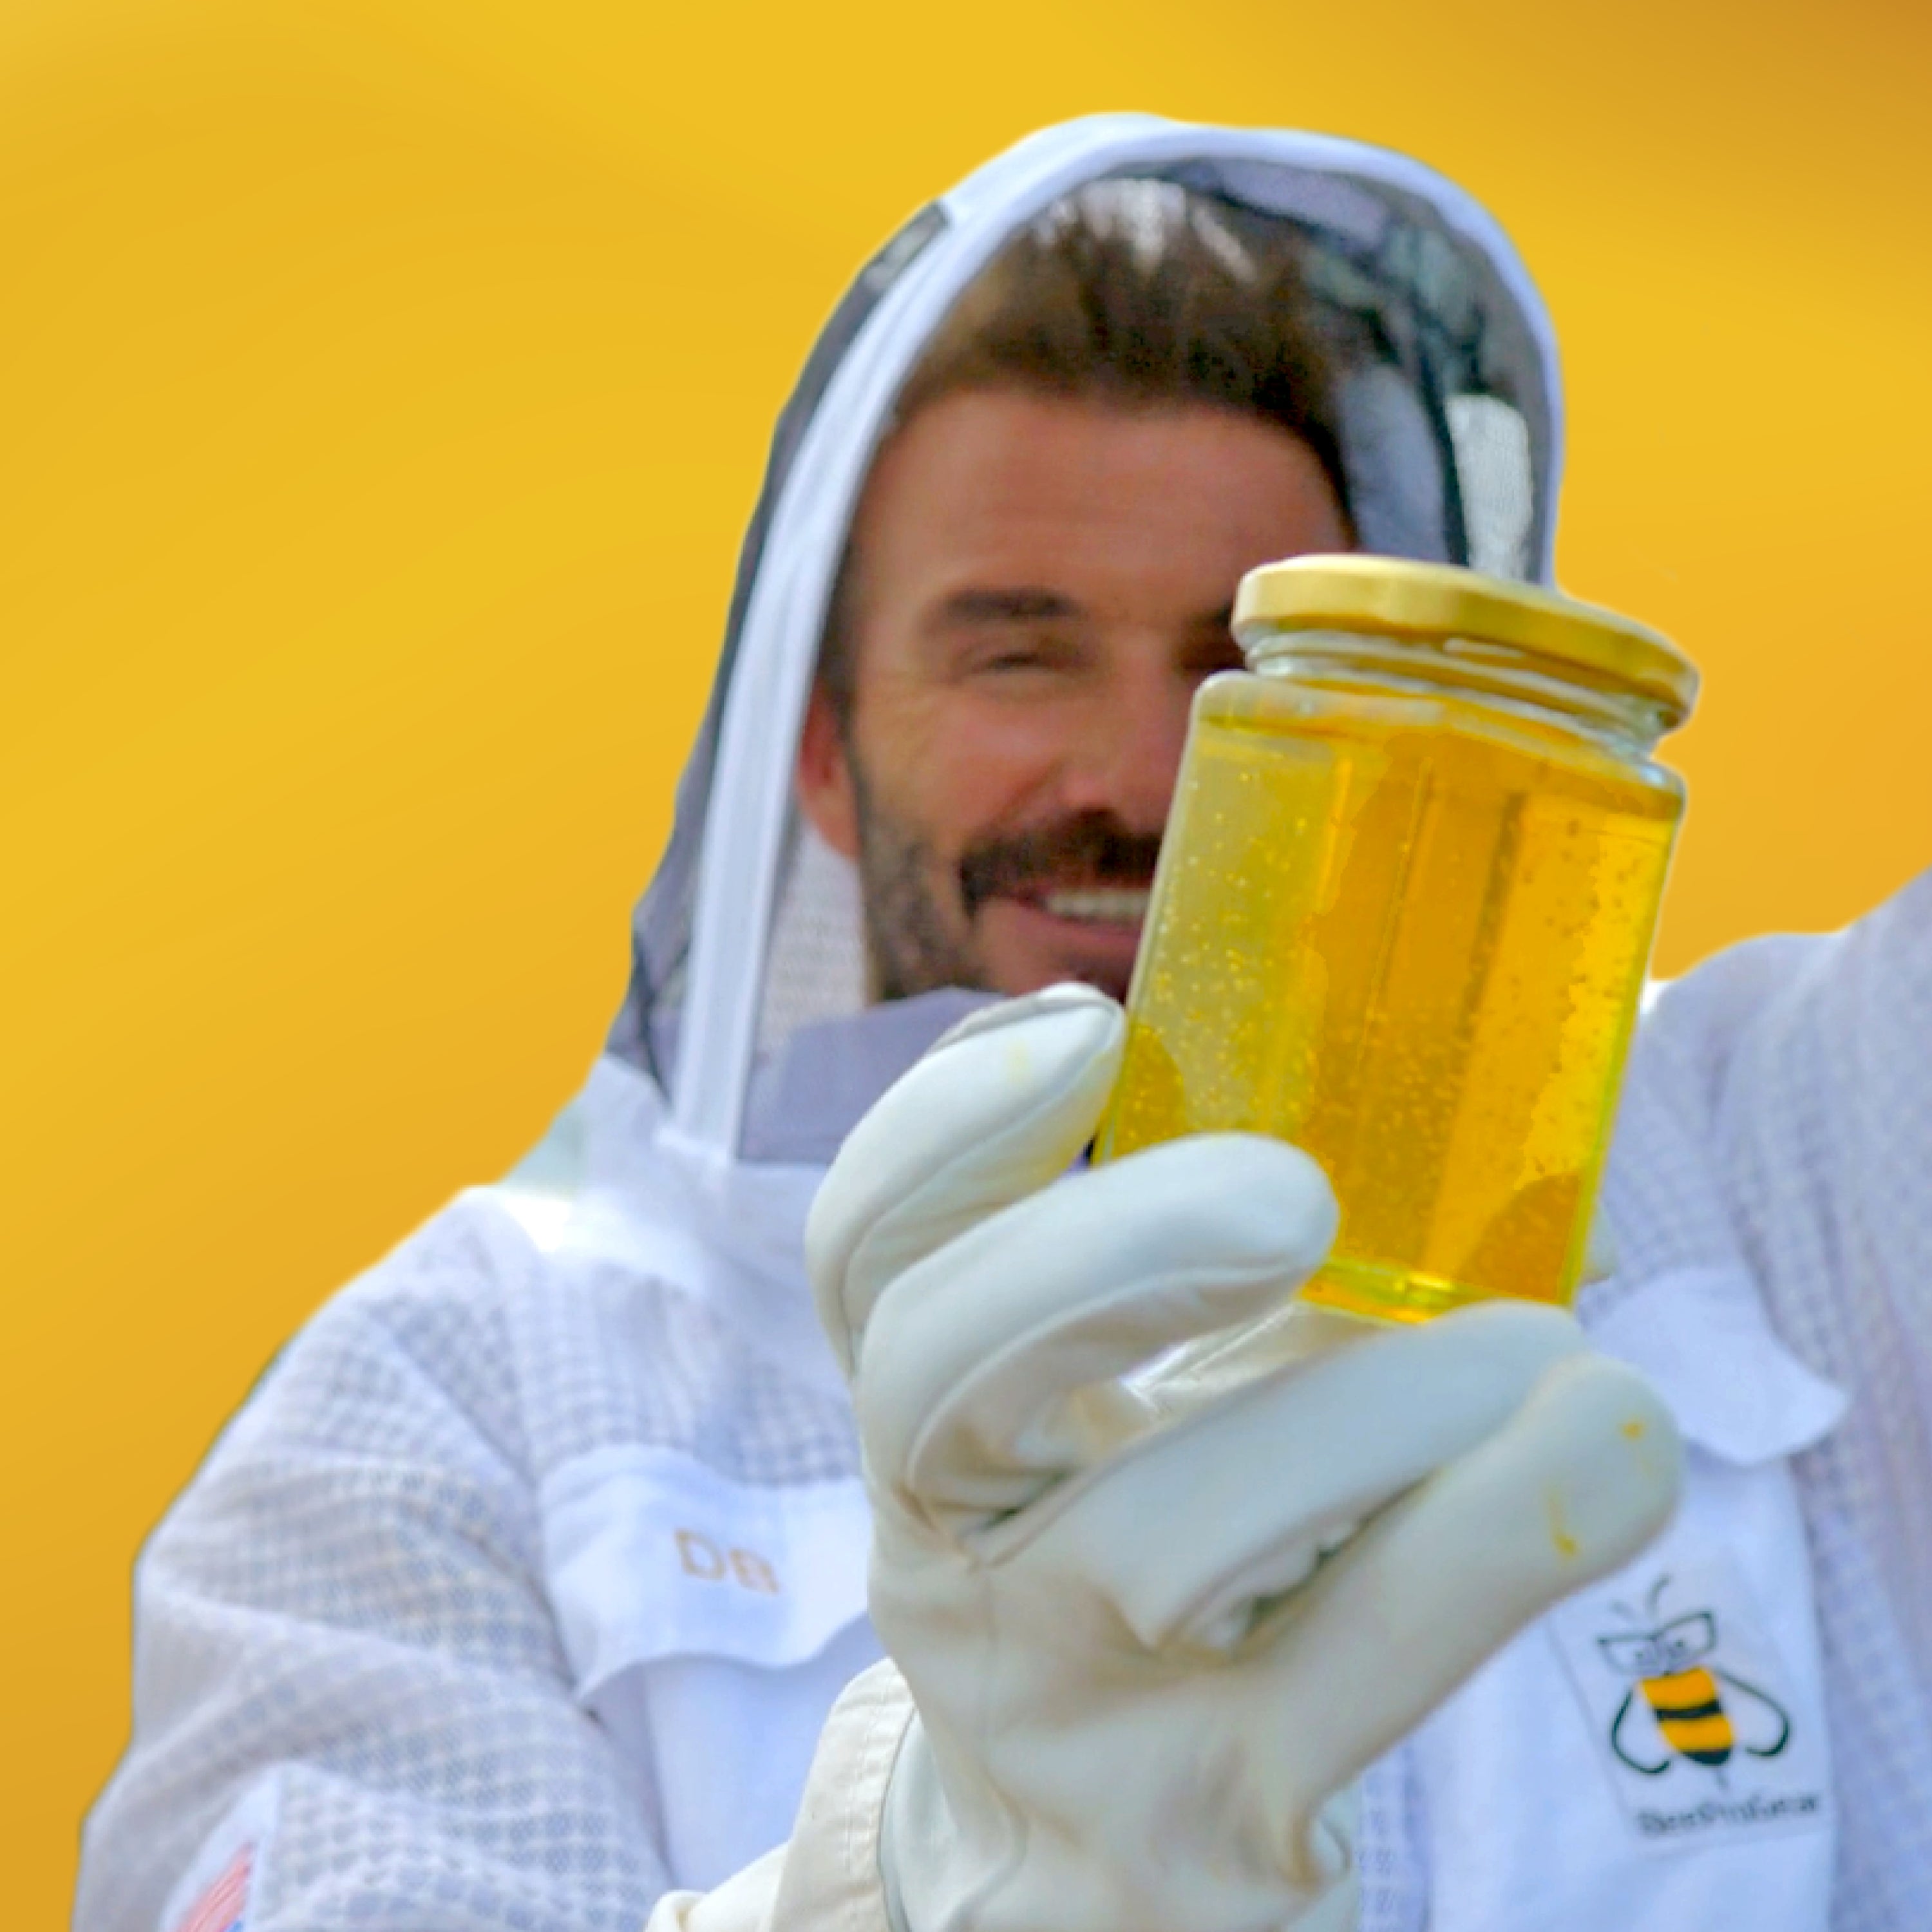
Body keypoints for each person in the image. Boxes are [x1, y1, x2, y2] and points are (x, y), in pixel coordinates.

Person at [77, 115, 1929, 1932]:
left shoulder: (1752, 1165)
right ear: (819, 752)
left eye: (1248, 670)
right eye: (1017, 652)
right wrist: (896, 1901)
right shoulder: (449, 1408)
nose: (1148, 775)